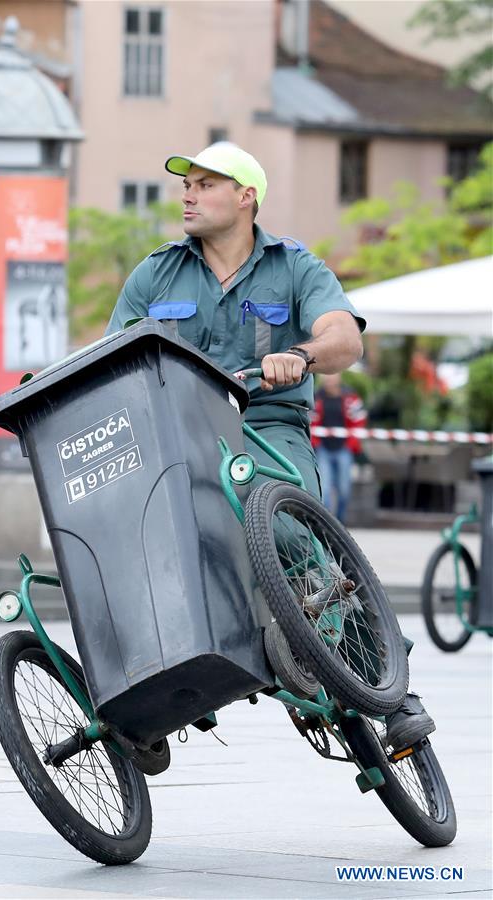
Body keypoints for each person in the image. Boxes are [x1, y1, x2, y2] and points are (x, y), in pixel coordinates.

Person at [106, 142, 434, 751]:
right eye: (187, 185)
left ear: (245, 196)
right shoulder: (156, 272)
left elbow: (343, 338)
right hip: (174, 436)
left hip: (264, 427)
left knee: (284, 524)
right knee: (122, 544)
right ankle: (138, 700)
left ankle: (394, 692)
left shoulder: (294, 267)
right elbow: (109, 357)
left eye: (205, 185)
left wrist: (301, 356)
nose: (188, 194)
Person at [312, 372, 367, 523]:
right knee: (325, 491)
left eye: (332, 375)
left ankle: (341, 522)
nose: (329, 378)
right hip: (323, 449)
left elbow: (359, 420)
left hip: (344, 449)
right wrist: (315, 443)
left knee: (344, 490)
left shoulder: (350, 397)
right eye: (326, 375)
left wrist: (351, 444)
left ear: (339, 377)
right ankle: (328, 524)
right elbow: (310, 421)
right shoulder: (316, 397)